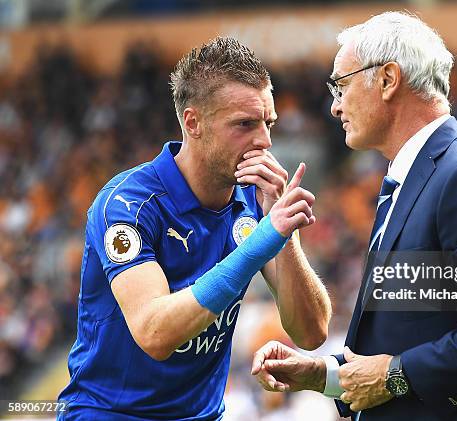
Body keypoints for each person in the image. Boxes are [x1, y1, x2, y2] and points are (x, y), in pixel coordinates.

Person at [251, 12, 457, 421]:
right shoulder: (412, 180)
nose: (334, 106)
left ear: (387, 79)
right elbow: (413, 338)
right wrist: (323, 374)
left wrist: (394, 377)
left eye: (341, 85)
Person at [58, 37, 332, 420]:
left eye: (268, 123)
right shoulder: (128, 205)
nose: (265, 141)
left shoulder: (258, 199)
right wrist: (261, 242)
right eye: (245, 124)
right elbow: (155, 334)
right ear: (193, 122)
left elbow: (311, 332)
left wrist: (281, 236)